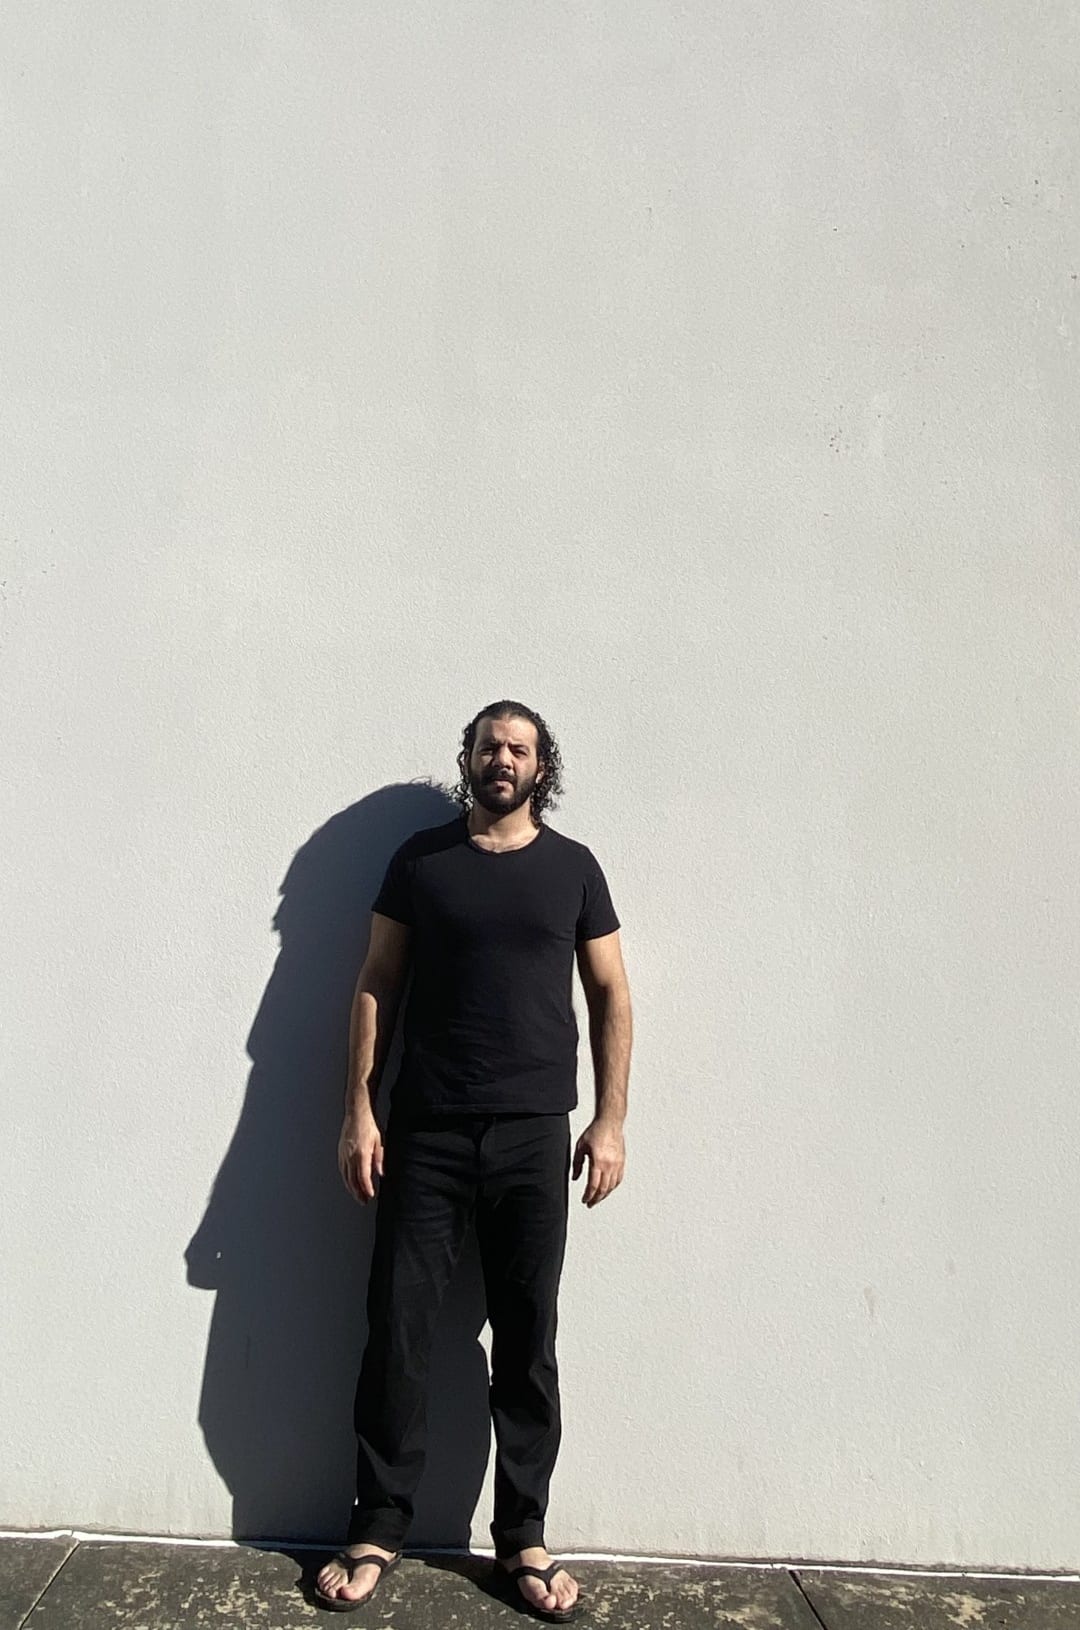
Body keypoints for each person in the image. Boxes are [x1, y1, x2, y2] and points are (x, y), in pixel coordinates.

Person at [314, 700, 632, 1620]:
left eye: (520, 748)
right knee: (398, 1331)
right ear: (470, 759)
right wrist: (359, 1111)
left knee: (528, 1342)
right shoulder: (421, 862)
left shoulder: (575, 869)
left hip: (535, 1136)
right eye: (490, 745)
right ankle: (378, 1527)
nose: (503, 759)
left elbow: (611, 991)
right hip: (427, 1133)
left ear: (541, 767)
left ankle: (523, 1539)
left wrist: (610, 1121)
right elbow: (377, 980)